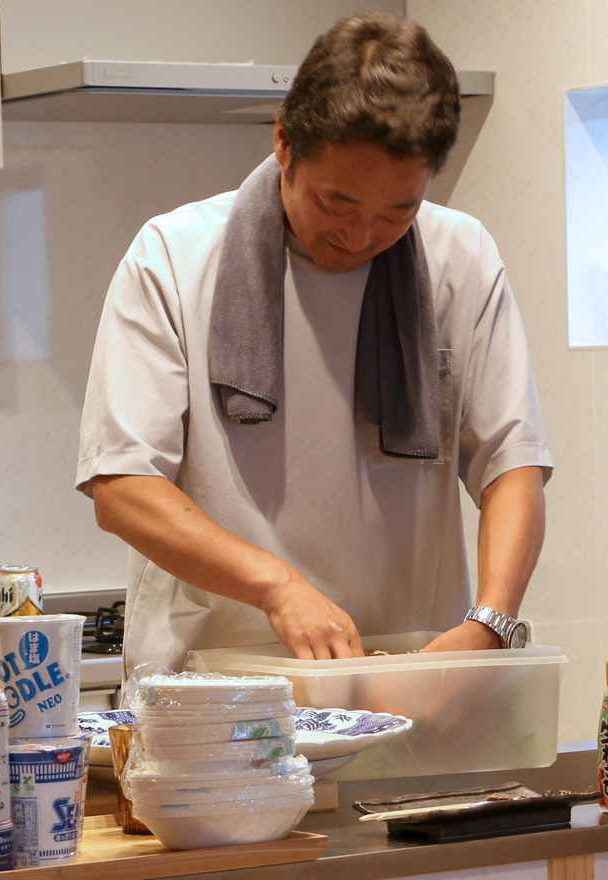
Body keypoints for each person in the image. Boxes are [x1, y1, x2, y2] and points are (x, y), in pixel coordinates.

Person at [75, 13, 553, 672]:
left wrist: (492, 620)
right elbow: (123, 487)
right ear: (283, 142)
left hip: (409, 686)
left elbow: (513, 465)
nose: (360, 237)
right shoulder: (173, 258)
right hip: (217, 701)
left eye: (397, 212)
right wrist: (278, 586)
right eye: (339, 203)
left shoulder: (460, 257)